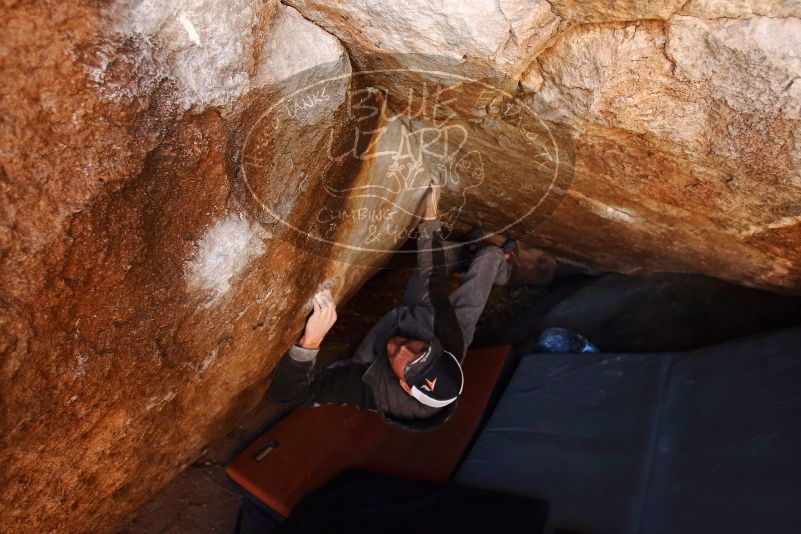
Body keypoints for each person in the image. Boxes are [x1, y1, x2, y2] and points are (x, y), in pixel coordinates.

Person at [267, 184, 517, 430]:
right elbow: (434, 279)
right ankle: (493, 262)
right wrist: (430, 217)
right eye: (418, 350)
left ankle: (487, 264)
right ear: (435, 349)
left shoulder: (370, 385)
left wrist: (311, 342)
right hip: (432, 322)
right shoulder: (445, 334)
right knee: (488, 255)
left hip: (410, 321)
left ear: (405, 386)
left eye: (406, 363)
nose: (402, 346)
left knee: (457, 256)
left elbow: (288, 396)